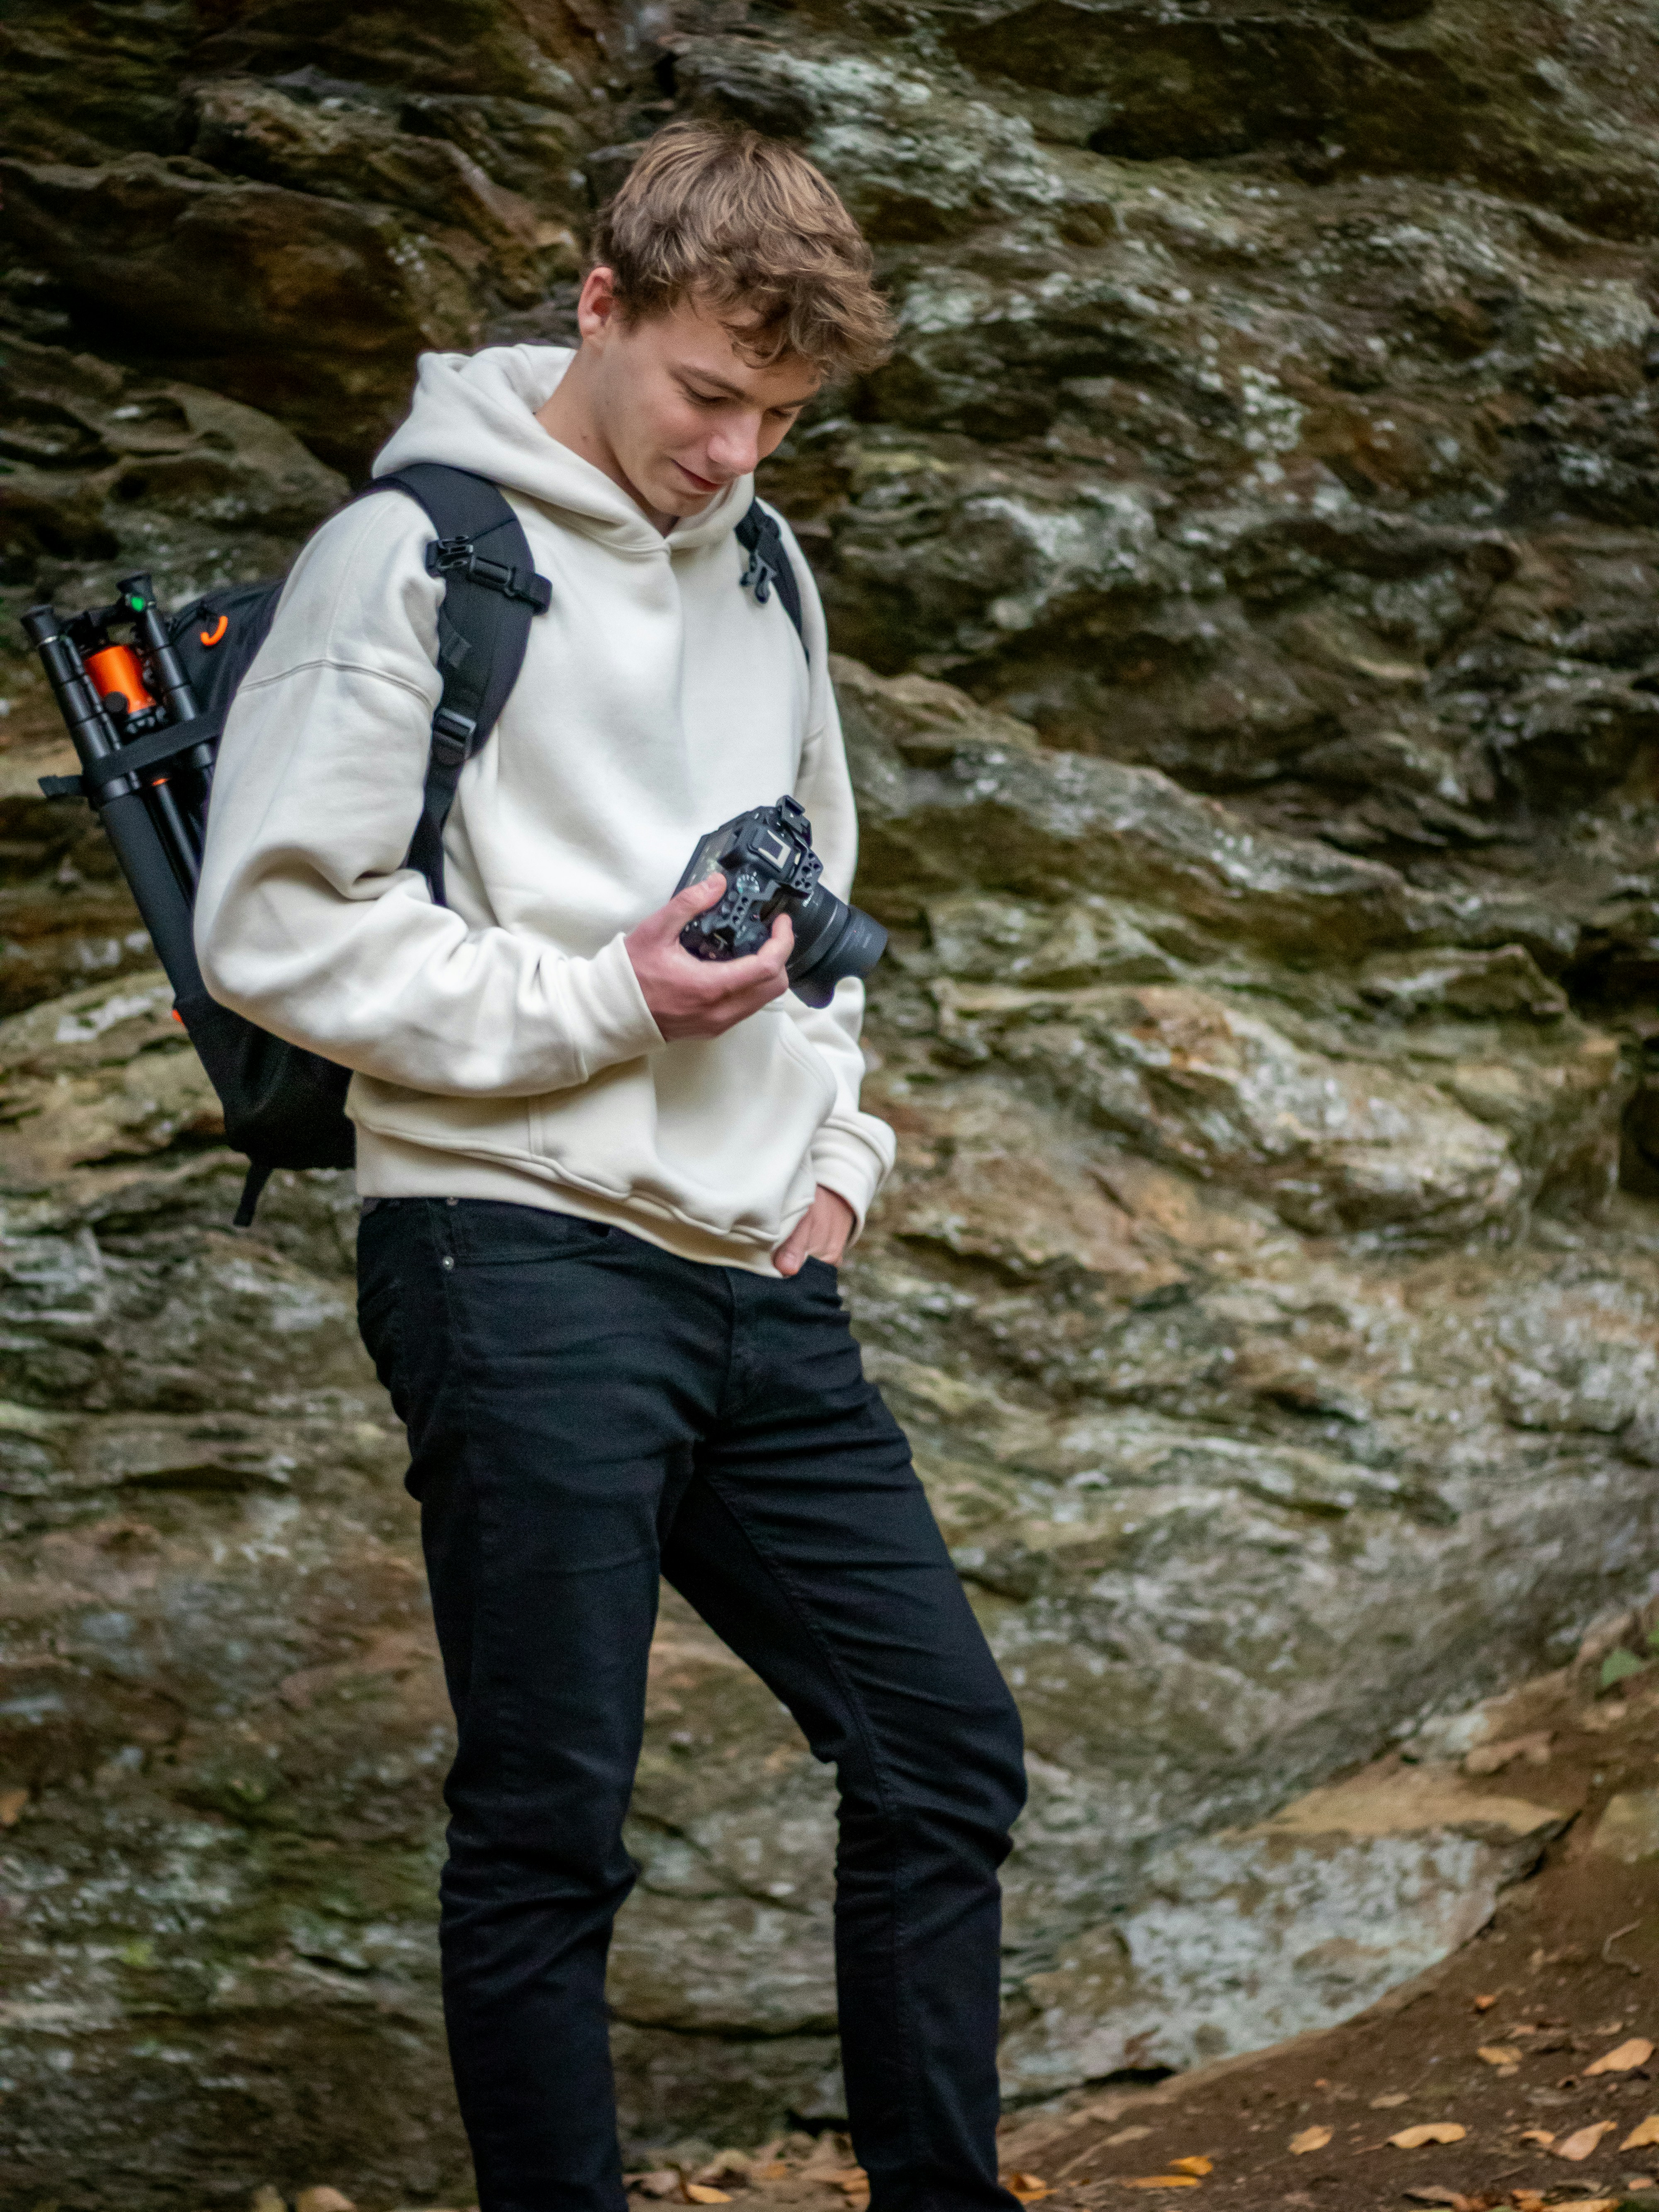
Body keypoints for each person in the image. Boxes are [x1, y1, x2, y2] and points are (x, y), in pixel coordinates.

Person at [195, 120, 1027, 2212]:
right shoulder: (413, 554)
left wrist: (839, 1158)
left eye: (782, 416)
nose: (734, 450)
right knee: (551, 1823)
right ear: (598, 304)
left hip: (761, 1268)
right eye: (708, 392)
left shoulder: (763, 561)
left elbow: (812, 898)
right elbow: (272, 928)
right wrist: (609, 999)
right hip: (512, 1248)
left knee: (942, 1750)